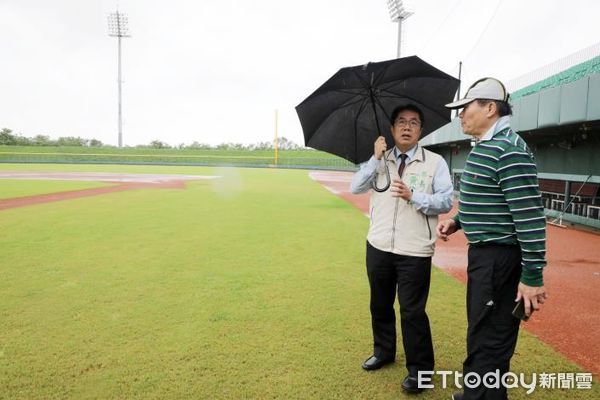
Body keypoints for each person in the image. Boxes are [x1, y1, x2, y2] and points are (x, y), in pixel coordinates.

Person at [437, 77, 547, 400]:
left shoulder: (509, 150)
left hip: (499, 260)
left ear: (489, 108)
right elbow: (494, 202)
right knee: (481, 330)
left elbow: (529, 217)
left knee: (491, 336)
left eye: (465, 108)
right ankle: (476, 393)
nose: (460, 115)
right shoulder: (487, 146)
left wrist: (532, 276)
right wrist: (458, 221)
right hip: (486, 257)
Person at [350, 104, 454, 394]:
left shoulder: (435, 163)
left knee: (412, 312)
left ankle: (420, 371)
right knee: (379, 305)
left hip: (415, 250)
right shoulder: (380, 161)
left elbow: (446, 201)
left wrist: (414, 196)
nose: (407, 127)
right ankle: (383, 352)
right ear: (392, 129)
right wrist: (374, 158)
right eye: (401, 122)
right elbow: (356, 186)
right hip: (379, 245)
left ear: (421, 129)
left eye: (413, 122)